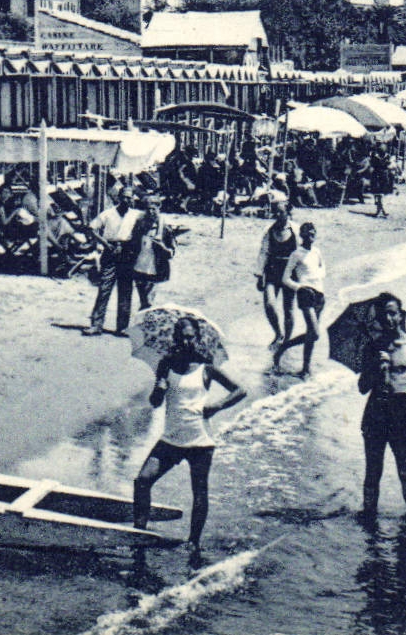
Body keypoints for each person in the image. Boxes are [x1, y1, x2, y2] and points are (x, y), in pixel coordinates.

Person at [133, 317, 245, 565]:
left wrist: (216, 407)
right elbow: (154, 403)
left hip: (200, 441)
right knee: (142, 481)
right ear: (176, 338)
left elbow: (240, 390)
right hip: (171, 439)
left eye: (191, 336)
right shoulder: (166, 365)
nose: (187, 340)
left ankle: (193, 543)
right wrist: (159, 388)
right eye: (182, 336)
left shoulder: (206, 368)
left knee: (199, 492)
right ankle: (138, 534)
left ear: (197, 338)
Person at [358, 294, 406, 523]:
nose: (389, 318)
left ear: (400, 314)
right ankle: (369, 523)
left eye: (392, 312)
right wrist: (376, 368)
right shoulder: (372, 349)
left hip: (402, 411)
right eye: (383, 314)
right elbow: (362, 387)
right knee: (372, 473)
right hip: (376, 410)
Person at [274, 222, 326, 378]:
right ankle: (284, 347)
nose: (311, 236)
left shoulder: (317, 252)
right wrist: (301, 287)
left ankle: (305, 369)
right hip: (305, 294)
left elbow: (323, 268)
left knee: (311, 333)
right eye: (308, 234)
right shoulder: (296, 254)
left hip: (320, 294)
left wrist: (317, 278)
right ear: (302, 236)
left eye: (313, 233)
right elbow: (285, 278)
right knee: (315, 334)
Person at [86, 184, 140, 336]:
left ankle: (122, 327)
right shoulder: (108, 213)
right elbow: (90, 228)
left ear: (133, 199)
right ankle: (96, 324)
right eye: (123, 197)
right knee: (104, 289)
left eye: (129, 197)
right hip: (110, 253)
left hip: (127, 253)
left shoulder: (136, 215)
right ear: (118, 197)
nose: (126, 200)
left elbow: (150, 221)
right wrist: (105, 244)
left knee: (125, 291)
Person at [255, 195, 298, 347]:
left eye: (281, 212)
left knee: (289, 309)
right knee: (269, 304)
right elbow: (264, 252)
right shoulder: (269, 230)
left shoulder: (296, 230)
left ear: (288, 213)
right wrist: (259, 275)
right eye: (276, 212)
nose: (277, 215)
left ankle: (286, 340)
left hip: (290, 272)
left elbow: (302, 254)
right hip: (273, 269)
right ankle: (278, 332)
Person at [129, 192, 172, 314]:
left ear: (159, 208)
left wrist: (162, 246)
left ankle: (146, 319)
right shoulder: (140, 224)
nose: (151, 212)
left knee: (149, 300)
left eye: (153, 209)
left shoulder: (164, 228)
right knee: (143, 299)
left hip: (155, 267)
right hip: (139, 265)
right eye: (148, 209)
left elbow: (171, 251)